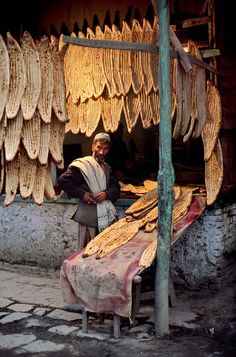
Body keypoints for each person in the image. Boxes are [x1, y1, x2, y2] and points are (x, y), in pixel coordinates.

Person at [58, 133, 120, 250]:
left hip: (105, 220)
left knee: (102, 252)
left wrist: (107, 194)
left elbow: (116, 189)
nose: (101, 152)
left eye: (105, 149)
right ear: (92, 147)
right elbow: (63, 181)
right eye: (99, 147)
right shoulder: (83, 166)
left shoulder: (107, 168)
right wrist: (82, 194)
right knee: (86, 251)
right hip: (88, 220)